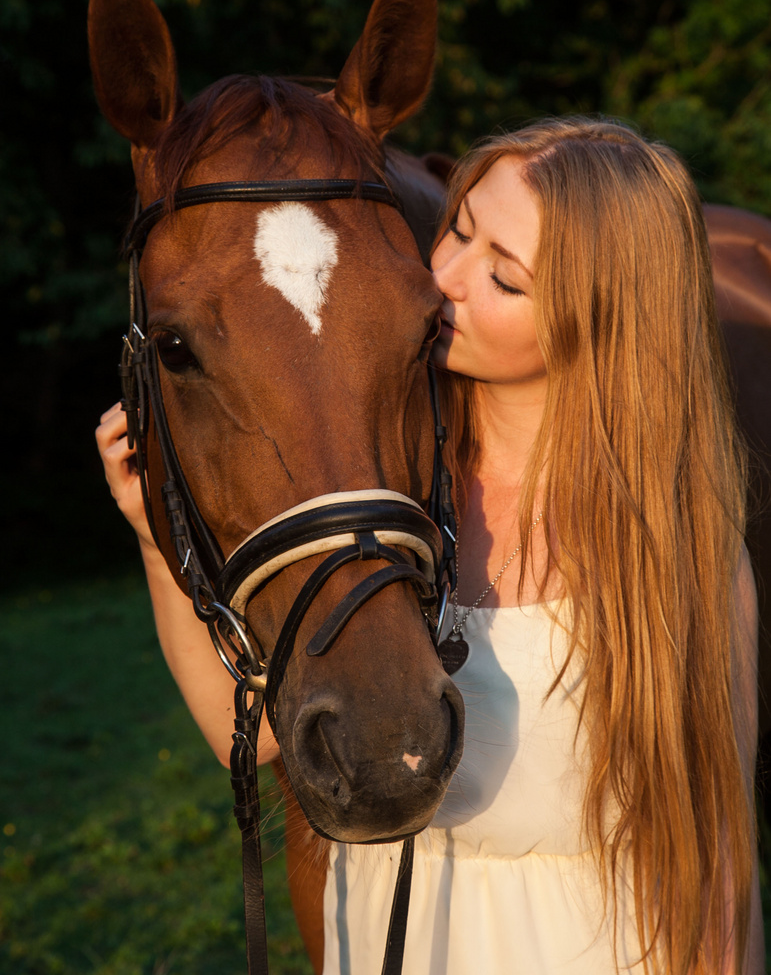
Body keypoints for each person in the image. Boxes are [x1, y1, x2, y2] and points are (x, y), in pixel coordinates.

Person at [97, 116, 763, 974]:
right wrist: (155, 544)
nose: (439, 277)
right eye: (456, 228)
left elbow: (708, 870)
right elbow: (263, 737)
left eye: (503, 276)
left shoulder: (668, 550)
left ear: (599, 317)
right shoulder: (387, 489)